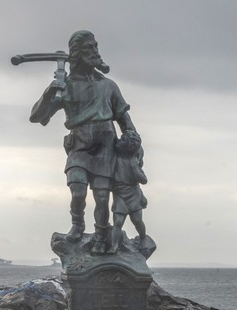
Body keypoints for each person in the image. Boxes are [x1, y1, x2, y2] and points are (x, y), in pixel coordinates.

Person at [29, 30, 138, 249]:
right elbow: (37, 116)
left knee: (102, 198)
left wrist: (132, 140)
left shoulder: (108, 86)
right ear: (77, 54)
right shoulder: (65, 86)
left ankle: (100, 237)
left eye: (96, 47)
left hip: (106, 148)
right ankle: (77, 225)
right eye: (90, 48)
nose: (95, 52)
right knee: (77, 191)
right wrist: (50, 93)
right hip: (78, 145)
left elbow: (125, 121)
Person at [107, 131, 148, 254]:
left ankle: (143, 238)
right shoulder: (115, 158)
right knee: (118, 222)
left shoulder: (133, 161)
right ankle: (113, 246)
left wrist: (135, 168)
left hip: (133, 193)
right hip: (119, 194)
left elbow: (144, 180)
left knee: (137, 220)